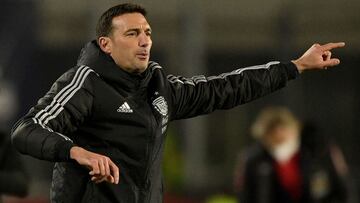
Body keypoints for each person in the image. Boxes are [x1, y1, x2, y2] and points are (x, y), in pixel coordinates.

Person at [11, 3, 345, 203]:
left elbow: (228, 87)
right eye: (132, 34)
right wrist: (76, 151)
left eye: (148, 32)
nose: (144, 41)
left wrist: (296, 66)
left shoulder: (158, 89)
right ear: (106, 44)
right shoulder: (85, 83)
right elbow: (27, 129)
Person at [233, 107, 356, 203]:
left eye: (283, 131)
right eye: (273, 135)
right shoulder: (254, 160)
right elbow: (246, 195)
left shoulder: (319, 152)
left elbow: (342, 188)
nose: (279, 136)